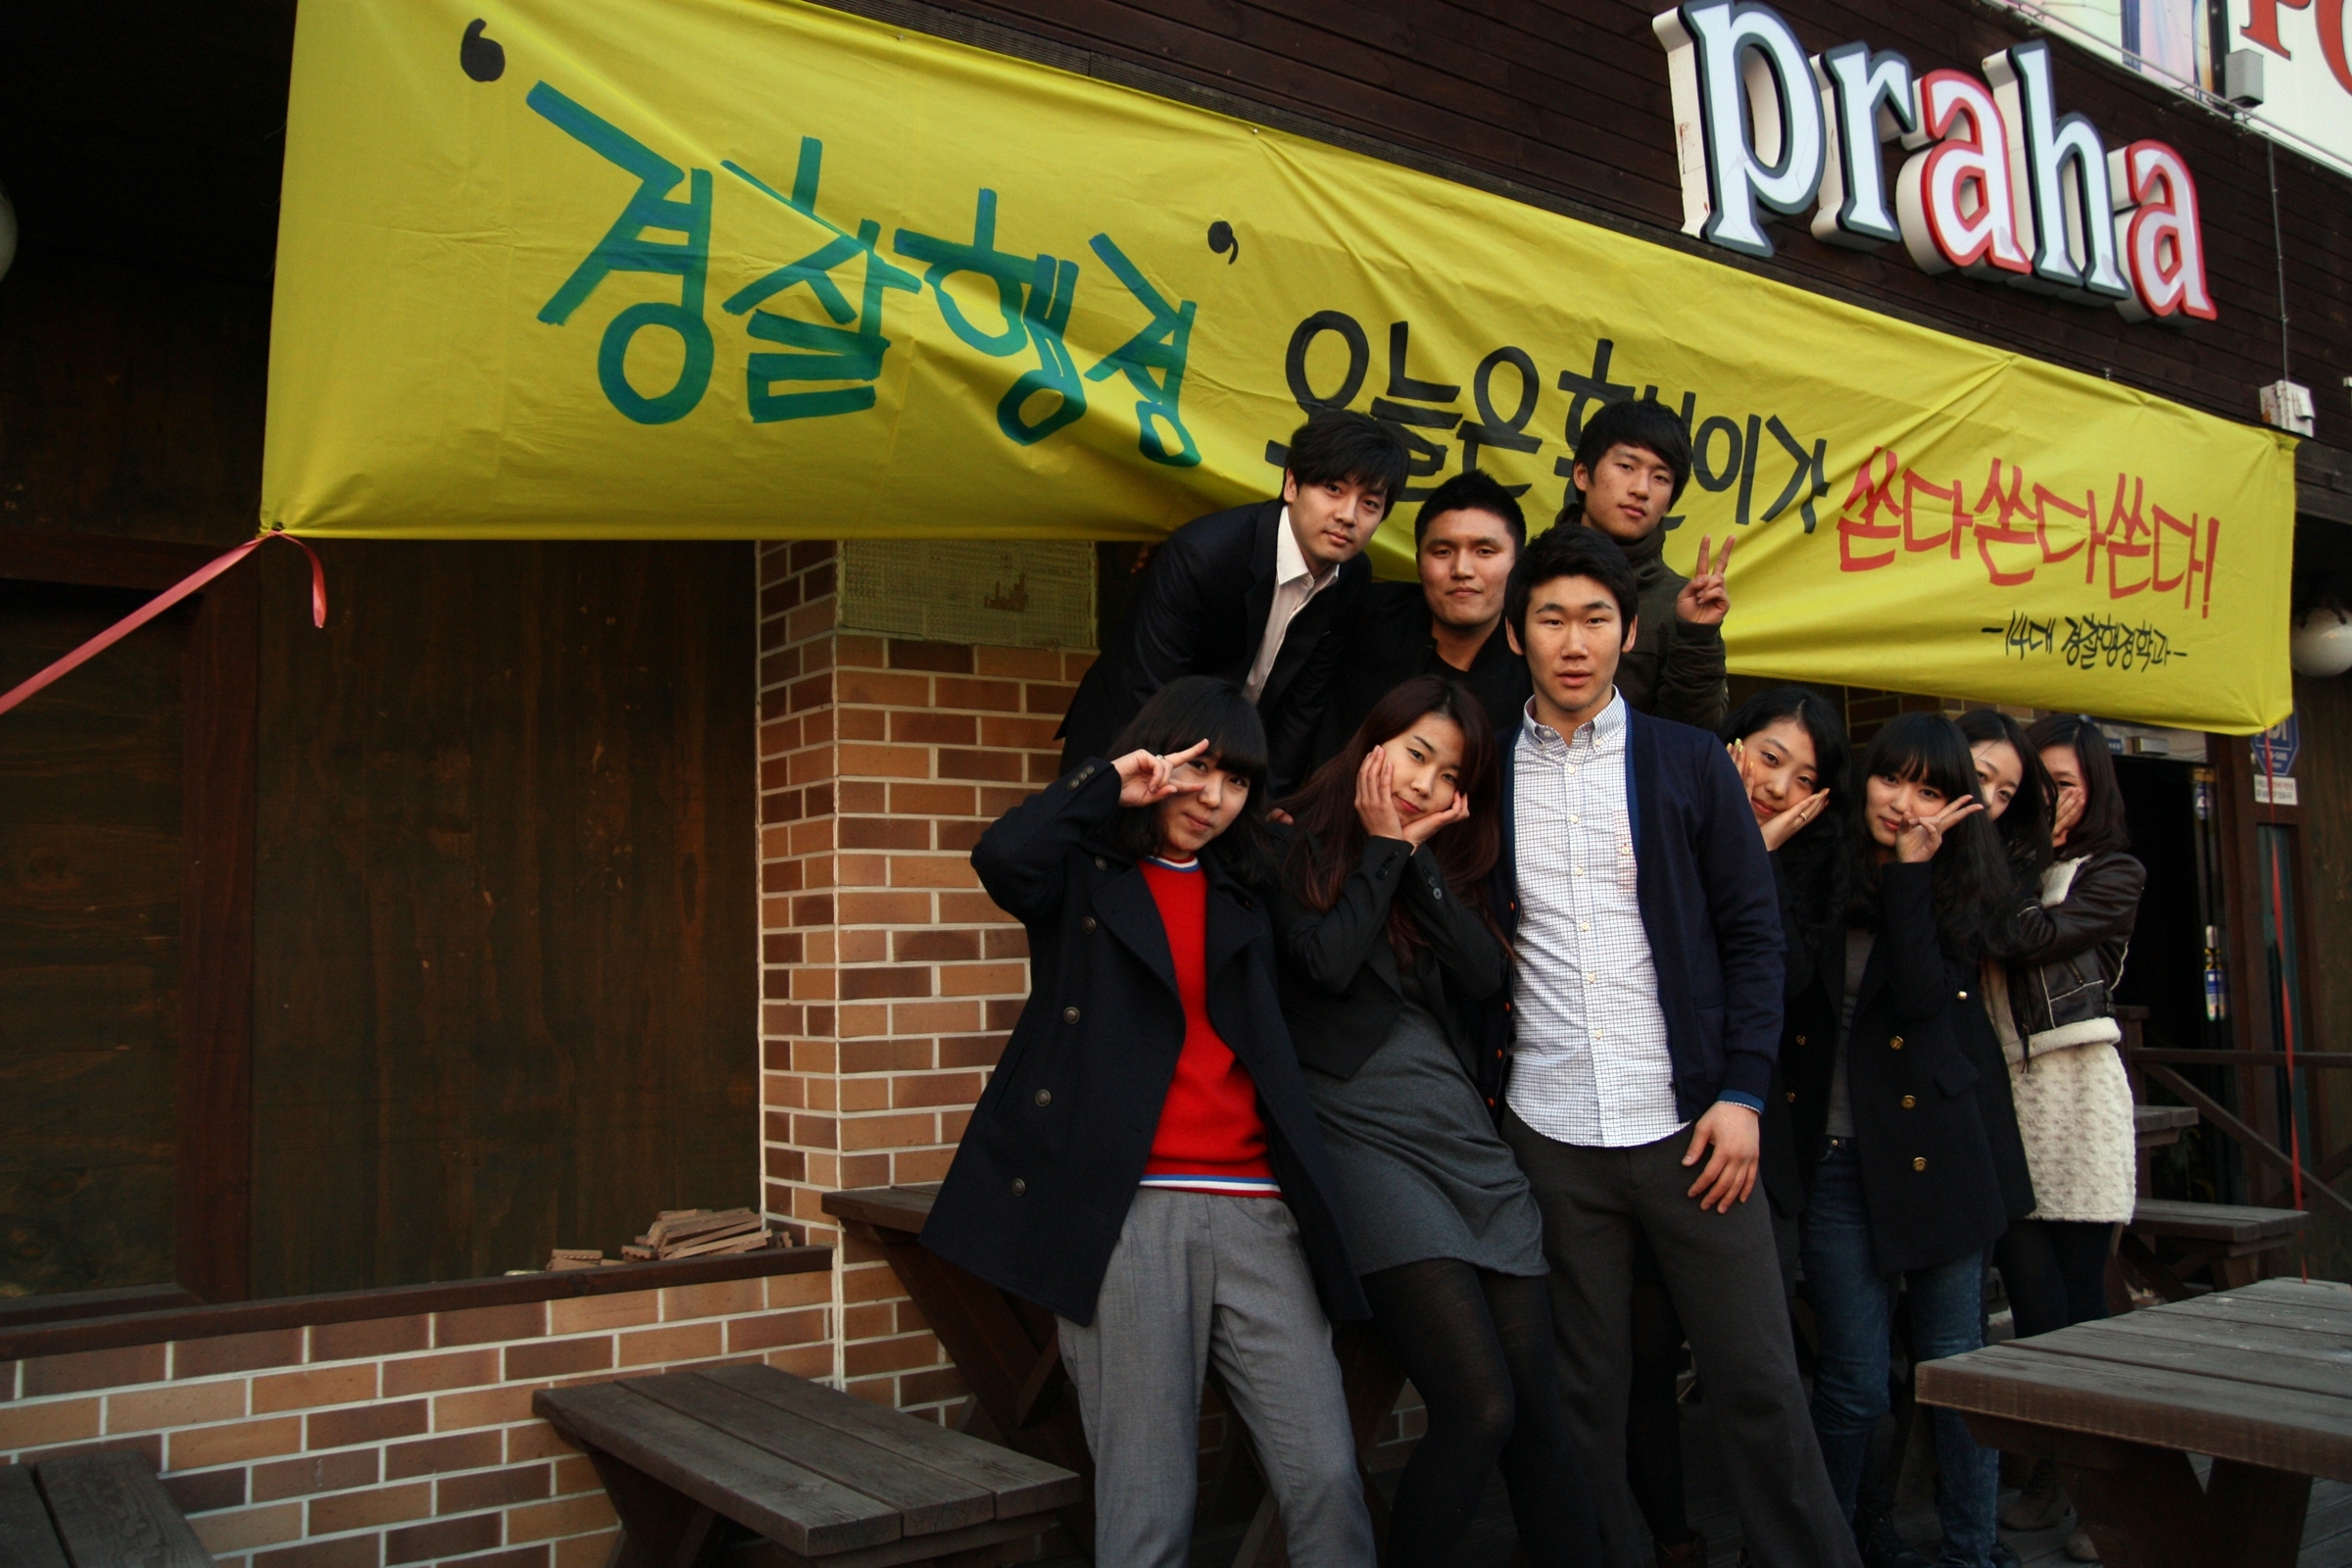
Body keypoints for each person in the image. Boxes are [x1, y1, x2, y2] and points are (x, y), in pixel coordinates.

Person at [923, 676, 1375, 1568]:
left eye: (1238, 782)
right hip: (1124, 1211)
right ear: (1159, 759)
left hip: (1257, 1210)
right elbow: (1002, 857)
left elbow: (1333, 944)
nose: (1215, 798)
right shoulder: (1086, 877)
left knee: (1326, 1476)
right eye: (1200, 769)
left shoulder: (1250, 888)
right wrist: (1106, 783)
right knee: (1149, 1506)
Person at [1485, 525, 1860, 1568]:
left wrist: (1743, 1093)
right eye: (1551, 619)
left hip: (1694, 1128)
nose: (1574, 642)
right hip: (1551, 1131)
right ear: (1516, 634)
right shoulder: (1487, 767)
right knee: (1583, 1397)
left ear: (1627, 631)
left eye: (1595, 619)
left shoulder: (1687, 760)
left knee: (1758, 1382)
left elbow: (1753, 937)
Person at [1271, 674, 1601, 1568]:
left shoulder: (1433, 863)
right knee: (1479, 1407)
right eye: (1417, 755)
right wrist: (1384, 848)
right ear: (1372, 741)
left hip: (1462, 1138)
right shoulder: (1285, 838)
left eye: (1450, 775)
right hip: (1361, 1136)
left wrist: (1414, 858)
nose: (1426, 785)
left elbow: (1483, 977)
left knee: (1538, 1415)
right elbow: (1325, 965)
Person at [1622, 685, 1847, 1568]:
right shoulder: (1663, 821)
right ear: (1730, 748)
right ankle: (1670, 1539)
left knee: (1758, 1372)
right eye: (1768, 757)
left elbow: (1783, 982)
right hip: (1646, 1129)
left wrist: (1756, 857)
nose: (1778, 785)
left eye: (1805, 777)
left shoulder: (1817, 866)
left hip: (1755, 1144)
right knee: (1643, 1360)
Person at [1789, 712, 2013, 1568]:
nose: (1903, 803)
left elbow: (1921, 999)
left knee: (1956, 1372)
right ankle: (1832, 1545)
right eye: (1891, 779)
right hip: (1838, 1160)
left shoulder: (1960, 885)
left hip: (1939, 1157)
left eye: (1928, 789)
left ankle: (1971, 1551)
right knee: (1852, 1381)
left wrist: (1913, 876)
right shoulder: (1823, 869)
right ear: (1863, 778)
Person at [1984, 715, 2145, 1560]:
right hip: (2001, 1096)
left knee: (2080, 1303)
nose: (2048, 799)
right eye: (2035, 785)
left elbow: (2030, 939)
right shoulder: (2003, 864)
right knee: (2032, 1304)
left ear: (2094, 791)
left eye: (2065, 784)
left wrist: (2001, 860)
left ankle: (2095, 1494)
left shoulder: (2112, 872)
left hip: (2076, 1092)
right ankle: (2048, 1472)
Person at [1058, 411, 1409, 794]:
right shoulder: (1204, 554)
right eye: (1333, 489)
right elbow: (1152, 688)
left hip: (1230, 761)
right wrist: (1175, 782)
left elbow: (1304, 703)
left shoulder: (1353, 574)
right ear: (1292, 484)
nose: (1348, 516)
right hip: (1128, 735)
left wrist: (1269, 802)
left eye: (1370, 503)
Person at [1308, 469, 1532, 771]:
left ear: (1518, 563)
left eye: (1484, 551)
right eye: (1443, 551)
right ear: (1419, 563)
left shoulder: (1535, 666)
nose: (1462, 569)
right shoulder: (1362, 617)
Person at [1560, 398, 1732, 731]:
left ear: (1670, 502)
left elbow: (1690, 738)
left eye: (1661, 477)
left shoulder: (1681, 605)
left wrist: (1696, 638)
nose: (1641, 489)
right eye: (1626, 466)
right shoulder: (1528, 575)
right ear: (1582, 474)